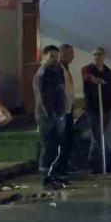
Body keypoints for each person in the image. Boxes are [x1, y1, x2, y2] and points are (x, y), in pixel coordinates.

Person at [33, 45, 67, 185]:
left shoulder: (56, 70)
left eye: (57, 57)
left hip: (57, 113)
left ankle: (52, 174)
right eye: (52, 56)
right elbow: (43, 98)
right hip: (47, 115)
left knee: (54, 146)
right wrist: (51, 116)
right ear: (44, 56)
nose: (55, 59)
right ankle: (45, 175)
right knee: (48, 145)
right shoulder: (44, 73)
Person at [82, 47, 111, 174]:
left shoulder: (108, 71)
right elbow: (86, 76)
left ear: (104, 56)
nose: (97, 56)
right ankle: (109, 161)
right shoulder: (87, 69)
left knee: (97, 138)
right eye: (94, 54)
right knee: (98, 137)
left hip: (106, 108)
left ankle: (94, 165)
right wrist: (94, 80)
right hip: (93, 109)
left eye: (99, 54)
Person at [58, 44, 76, 175]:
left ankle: (65, 165)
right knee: (62, 140)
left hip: (68, 109)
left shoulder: (65, 68)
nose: (73, 57)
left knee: (68, 139)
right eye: (70, 54)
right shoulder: (58, 69)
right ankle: (59, 168)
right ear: (62, 54)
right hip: (61, 111)